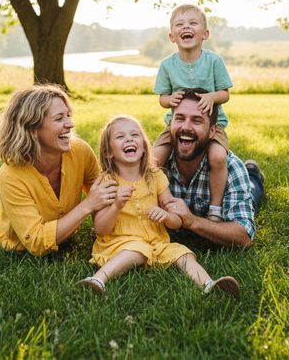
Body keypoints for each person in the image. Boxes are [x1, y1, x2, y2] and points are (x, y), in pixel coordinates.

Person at [74, 115, 239, 297]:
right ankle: (97, 280)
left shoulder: (156, 176)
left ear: (144, 147)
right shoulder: (108, 182)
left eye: (135, 135)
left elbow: (177, 220)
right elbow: (100, 229)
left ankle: (208, 285)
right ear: (108, 152)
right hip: (118, 243)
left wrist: (167, 216)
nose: (129, 139)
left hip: (155, 242)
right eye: (120, 137)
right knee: (136, 250)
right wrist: (116, 206)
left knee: (182, 252)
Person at [0, 84, 118, 256]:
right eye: (59, 119)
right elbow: (36, 243)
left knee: (3, 203)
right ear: (33, 129)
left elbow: (105, 194)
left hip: (20, 203)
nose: (70, 124)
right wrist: (88, 205)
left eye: (68, 116)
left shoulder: (80, 151)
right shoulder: (10, 176)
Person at [151, 4, 233, 223]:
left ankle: (215, 209)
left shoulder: (213, 61)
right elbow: (161, 99)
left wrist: (211, 98)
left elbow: (225, 94)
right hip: (175, 127)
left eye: (192, 23)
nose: (186, 27)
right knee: (153, 160)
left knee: (217, 156)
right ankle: (154, 202)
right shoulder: (167, 65)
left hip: (212, 128)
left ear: (204, 34)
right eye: (180, 24)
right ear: (172, 36)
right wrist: (169, 100)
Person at [161, 88, 265, 248]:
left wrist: (192, 221)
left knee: (252, 191)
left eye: (197, 121)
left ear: (212, 131)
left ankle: (252, 172)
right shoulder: (156, 164)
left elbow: (244, 237)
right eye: (180, 118)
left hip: (239, 183)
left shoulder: (230, 167)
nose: (186, 127)